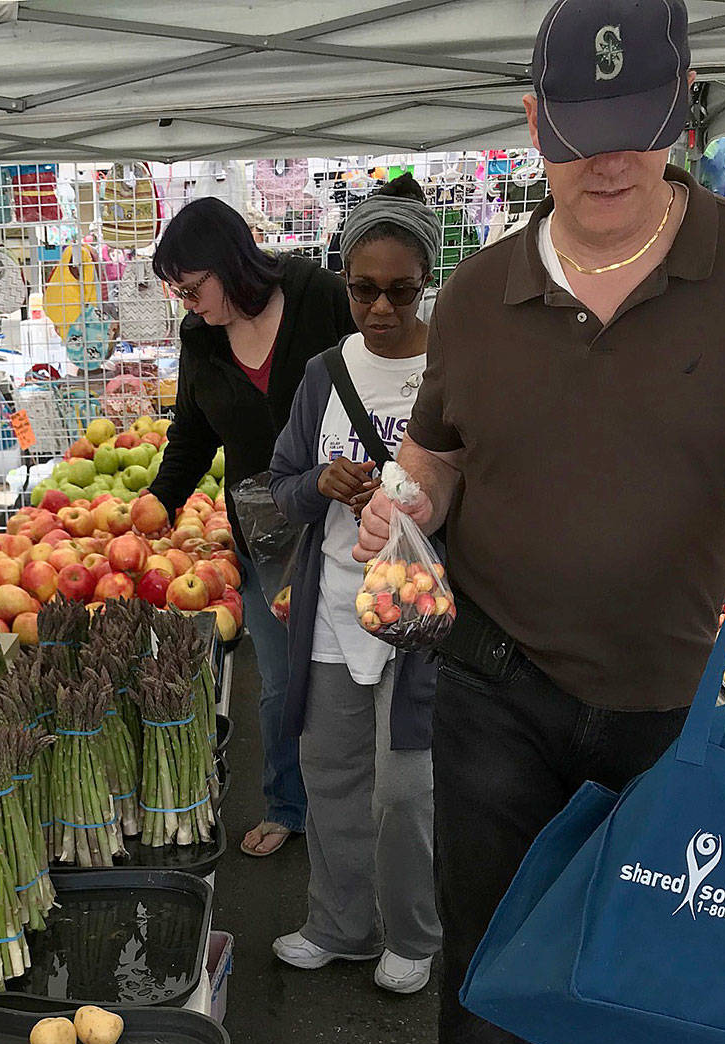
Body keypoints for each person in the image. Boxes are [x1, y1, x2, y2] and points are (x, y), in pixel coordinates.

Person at [355, 0, 725, 1044]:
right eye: (579, 132)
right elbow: (434, 458)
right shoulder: (472, 296)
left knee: (622, 937)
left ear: (680, 109)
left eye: (640, 125)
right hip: (497, 680)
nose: (610, 161)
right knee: (480, 953)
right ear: (531, 125)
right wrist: (397, 512)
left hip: (674, 699)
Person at [269, 175, 443, 996]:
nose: (380, 308)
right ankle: (339, 924)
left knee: (406, 788)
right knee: (329, 771)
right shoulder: (323, 373)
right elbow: (280, 484)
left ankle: (413, 932)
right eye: (362, 289)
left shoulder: (454, 368)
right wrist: (320, 486)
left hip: (421, 620)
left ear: (426, 283)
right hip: (335, 610)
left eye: (400, 291)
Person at [148, 197, 354, 858]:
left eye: (192, 287)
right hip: (264, 534)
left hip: (349, 519)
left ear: (230, 263)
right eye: (177, 291)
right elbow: (192, 433)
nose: (187, 302)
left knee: (360, 669)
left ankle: (357, 804)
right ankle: (287, 803)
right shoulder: (201, 337)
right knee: (280, 682)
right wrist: (160, 498)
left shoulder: (320, 296)